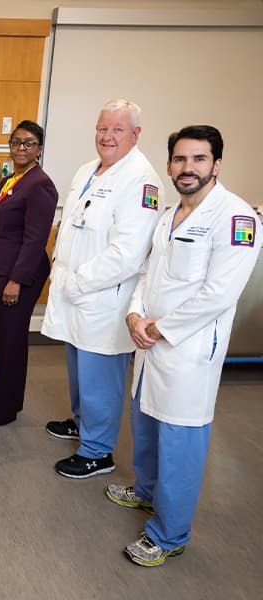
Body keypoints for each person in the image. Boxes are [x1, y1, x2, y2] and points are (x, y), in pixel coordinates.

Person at [105, 125, 261, 567]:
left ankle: (170, 533)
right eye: (179, 159)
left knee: (179, 441)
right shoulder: (168, 214)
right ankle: (146, 491)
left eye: (198, 159)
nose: (186, 168)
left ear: (216, 165)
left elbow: (219, 294)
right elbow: (145, 274)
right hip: (149, 340)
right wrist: (134, 315)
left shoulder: (235, 218)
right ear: (170, 163)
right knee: (146, 422)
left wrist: (159, 328)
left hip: (187, 351)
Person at [41, 99, 163, 478]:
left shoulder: (143, 181)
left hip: (103, 298)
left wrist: (79, 282)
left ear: (136, 134)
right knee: (79, 368)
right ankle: (83, 423)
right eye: (102, 128)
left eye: (117, 129)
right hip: (75, 293)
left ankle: (97, 451)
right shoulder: (87, 170)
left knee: (101, 376)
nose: (106, 136)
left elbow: (127, 254)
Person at [0, 121, 57, 426]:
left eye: (29, 143)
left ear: (39, 149)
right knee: (4, 339)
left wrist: (15, 280)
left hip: (21, 273)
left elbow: (35, 238)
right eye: (16, 142)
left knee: (11, 341)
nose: (21, 148)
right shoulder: (11, 180)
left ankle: (3, 408)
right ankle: (3, 397)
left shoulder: (40, 184)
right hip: (3, 268)